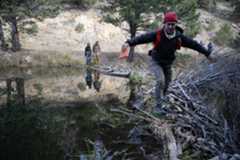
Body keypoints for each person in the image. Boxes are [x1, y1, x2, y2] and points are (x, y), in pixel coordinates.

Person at [122, 11, 216, 113]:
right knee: (160, 81)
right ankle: (157, 107)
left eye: (173, 24)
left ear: (175, 25)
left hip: (167, 64)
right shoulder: (157, 34)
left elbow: (194, 44)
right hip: (155, 61)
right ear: (165, 24)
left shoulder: (179, 37)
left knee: (166, 85)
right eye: (169, 24)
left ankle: (162, 102)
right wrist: (128, 42)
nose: (171, 26)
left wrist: (207, 54)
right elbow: (142, 38)